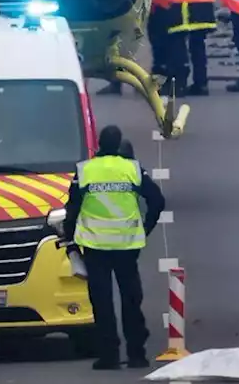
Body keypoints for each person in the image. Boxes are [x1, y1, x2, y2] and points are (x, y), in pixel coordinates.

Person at [62, 125, 166, 371]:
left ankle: (108, 356)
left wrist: (71, 240)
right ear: (120, 143)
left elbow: (72, 210)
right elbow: (157, 201)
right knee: (131, 300)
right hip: (127, 246)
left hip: (95, 246)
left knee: (102, 302)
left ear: (99, 143)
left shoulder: (85, 171)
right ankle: (136, 355)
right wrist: (144, 227)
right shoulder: (132, 169)